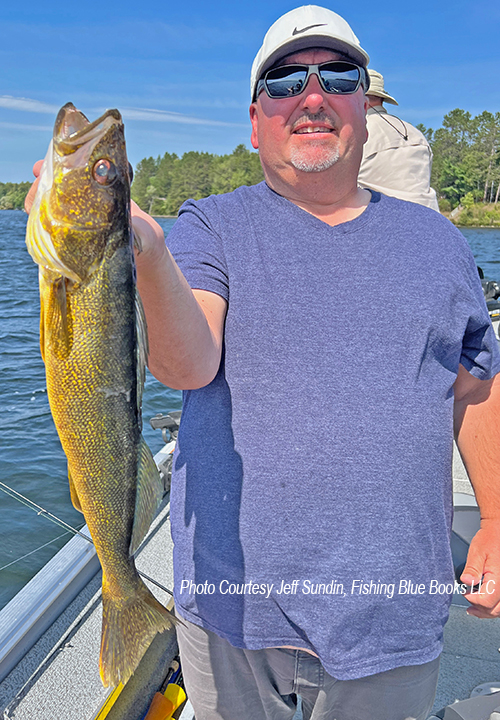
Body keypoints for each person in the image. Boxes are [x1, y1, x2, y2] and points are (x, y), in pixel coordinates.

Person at [25, 5, 500, 719]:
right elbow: (187, 365)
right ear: (256, 122)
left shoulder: (438, 243)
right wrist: (143, 249)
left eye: (338, 76)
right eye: (284, 82)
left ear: (365, 110)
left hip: (392, 616)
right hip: (230, 611)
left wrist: (495, 520)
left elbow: (475, 385)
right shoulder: (210, 225)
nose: (312, 95)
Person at [358, 68, 440, 210]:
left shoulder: (356, 132)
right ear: (382, 98)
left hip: (384, 221)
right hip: (431, 217)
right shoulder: (416, 134)